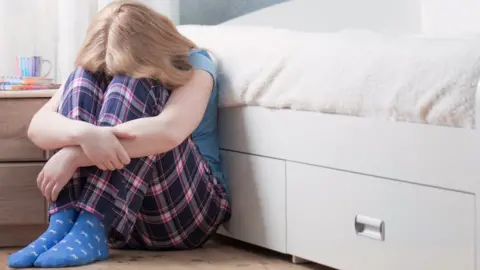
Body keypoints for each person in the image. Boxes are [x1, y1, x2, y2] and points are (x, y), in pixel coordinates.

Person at [7, 0, 231, 268]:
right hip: (122, 222)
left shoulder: (196, 63)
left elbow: (169, 131)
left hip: (185, 217)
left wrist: (75, 154)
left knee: (136, 82)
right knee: (82, 78)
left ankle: (92, 224)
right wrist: (85, 135)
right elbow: (39, 126)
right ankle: (65, 224)